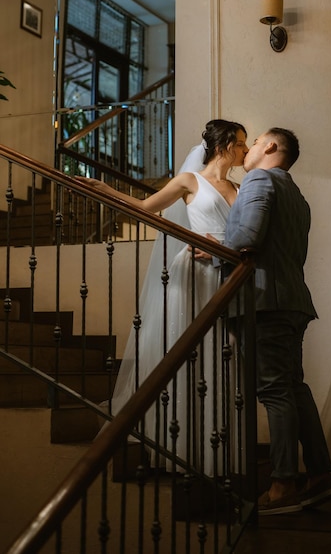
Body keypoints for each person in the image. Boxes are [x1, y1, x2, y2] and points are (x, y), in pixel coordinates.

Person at [79, 119, 248, 475]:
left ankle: (216, 451)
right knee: (185, 352)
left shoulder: (238, 186)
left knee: (222, 354)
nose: (246, 152)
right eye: (242, 144)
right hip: (192, 275)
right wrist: (102, 188)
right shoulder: (189, 181)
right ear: (227, 144)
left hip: (224, 275)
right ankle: (179, 445)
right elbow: (145, 208)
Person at [224, 127, 331, 514]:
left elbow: (247, 237)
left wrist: (212, 248)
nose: (251, 148)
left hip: (264, 301)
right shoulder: (297, 195)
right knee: (294, 388)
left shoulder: (258, 179)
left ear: (271, 146)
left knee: (274, 391)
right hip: (292, 300)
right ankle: (321, 475)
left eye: (255, 141)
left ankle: (283, 484)